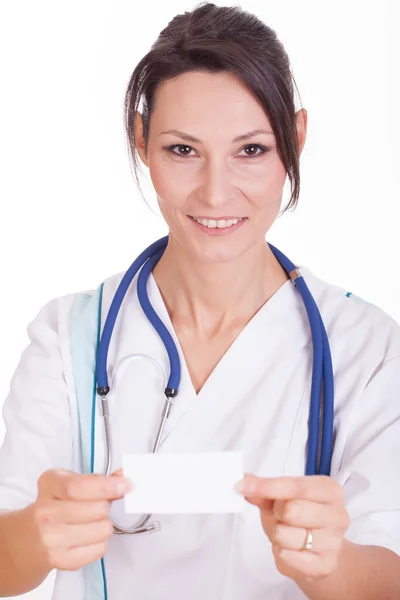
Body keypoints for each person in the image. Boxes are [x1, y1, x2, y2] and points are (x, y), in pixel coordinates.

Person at [1, 2, 400, 599]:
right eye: (183, 150)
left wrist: (329, 565)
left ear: (296, 139)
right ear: (142, 142)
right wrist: (36, 535)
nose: (216, 192)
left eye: (252, 150)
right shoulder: (71, 335)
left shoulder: (365, 347)